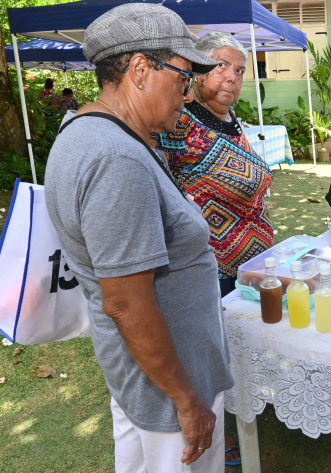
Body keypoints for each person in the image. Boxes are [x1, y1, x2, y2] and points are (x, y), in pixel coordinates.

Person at [44, 4, 234, 472]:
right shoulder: (117, 160)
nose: (187, 96)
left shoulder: (90, 132)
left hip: (140, 376)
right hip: (169, 385)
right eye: (183, 79)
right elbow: (127, 302)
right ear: (141, 70)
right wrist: (187, 401)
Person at [152, 32, 274, 466]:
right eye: (221, 65)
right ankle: (221, 435)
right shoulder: (179, 120)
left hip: (249, 259)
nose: (231, 77)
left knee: (240, 345)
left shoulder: (232, 120)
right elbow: (166, 185)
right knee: (210, 352)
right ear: (199, 69)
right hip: (208, 264)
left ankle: (246, 409)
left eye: (239, 70)